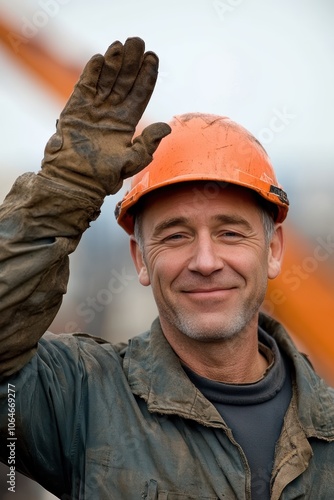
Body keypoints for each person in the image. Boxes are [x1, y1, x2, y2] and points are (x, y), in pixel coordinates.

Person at [0, 36, 333, 500]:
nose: (205, 261)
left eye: (230, 233)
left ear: (274, 249)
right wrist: (64, 188)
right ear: (140, 258)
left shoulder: (330, 426)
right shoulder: (79, 399)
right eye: (175, 235)